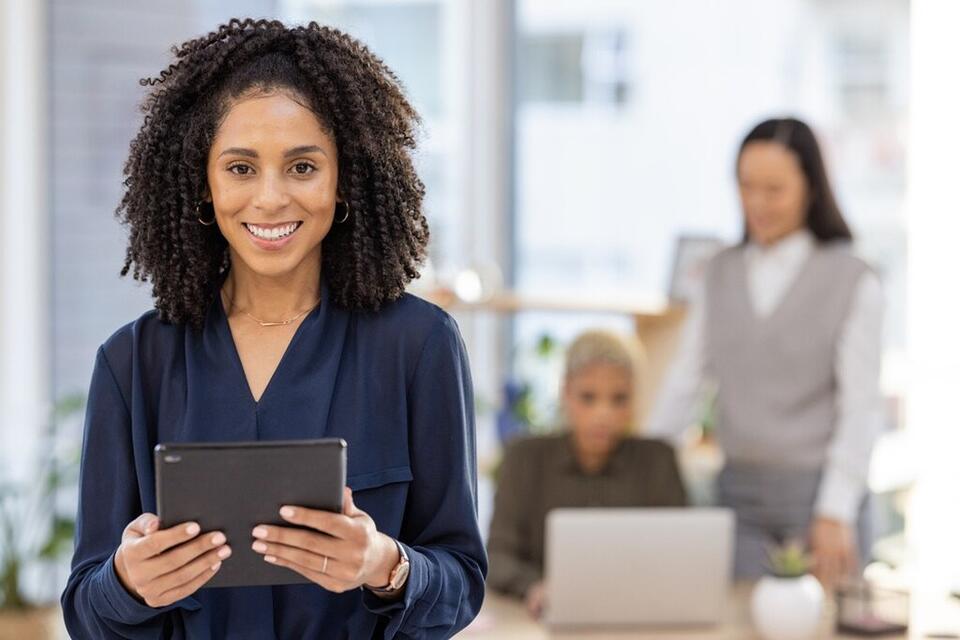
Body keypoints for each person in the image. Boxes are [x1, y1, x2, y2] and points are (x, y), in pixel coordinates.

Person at [60, 19, 486, 639]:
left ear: (345, 179)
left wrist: (384, 565)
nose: (269, 199)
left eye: (302, 167)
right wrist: (127, 584)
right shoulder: (132, 363)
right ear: (201, 186)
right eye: (240, 168)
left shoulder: (418, 346)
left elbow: (462, 580)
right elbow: (85, 611)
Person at [647, 117, 884, 588]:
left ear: (812, 188)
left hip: (819, 499)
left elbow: (861, 407)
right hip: (737, 501)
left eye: (774, 189)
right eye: (745, 185)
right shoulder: (717, 272)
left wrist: (835, 509)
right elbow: (684, 383)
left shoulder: (854, 279)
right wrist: (637, 464)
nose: (756, 203)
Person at [486, 330, 687, 618]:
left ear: (633, 401)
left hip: (639, 616)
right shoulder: (524, 458)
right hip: (541, 618)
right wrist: (534, 587)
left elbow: (680, 555)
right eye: (588, 397)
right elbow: (497, 557)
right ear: (565, 392)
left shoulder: (658, 460)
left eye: (619, 399)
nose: (603, 414)